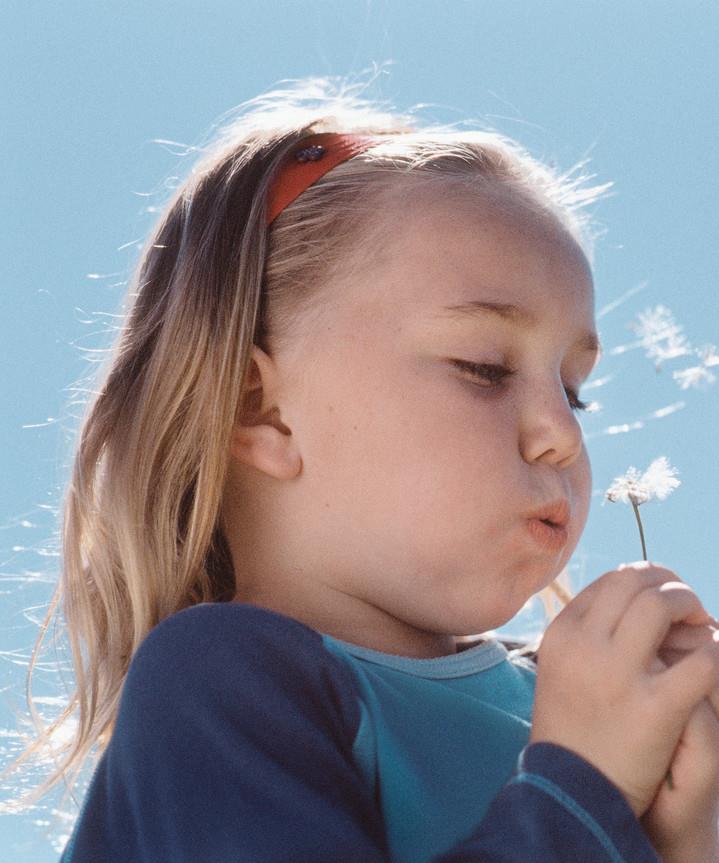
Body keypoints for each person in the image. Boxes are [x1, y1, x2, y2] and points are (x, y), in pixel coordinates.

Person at [18, 80, 719, 862]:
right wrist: (582, 786)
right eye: (483, 367)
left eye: (575, 392)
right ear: (263, 412)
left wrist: (680, 836)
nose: (559, 434)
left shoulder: (561, 700)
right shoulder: (215, 685)